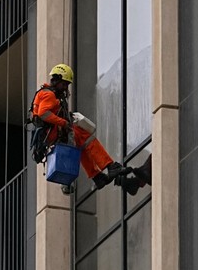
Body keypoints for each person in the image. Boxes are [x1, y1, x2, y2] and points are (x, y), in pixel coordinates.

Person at [30, 64, 150, 193]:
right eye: (64, 84)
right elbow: (44, 113)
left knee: (81, 145)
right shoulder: (49, 95)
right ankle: (110, 166)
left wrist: (66, 118)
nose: (65, 88)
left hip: (50, 134)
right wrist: (64, 123)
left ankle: (97, 176)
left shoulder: (48, 94)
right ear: (57, 80)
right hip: (52, 132)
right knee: (85, 137)